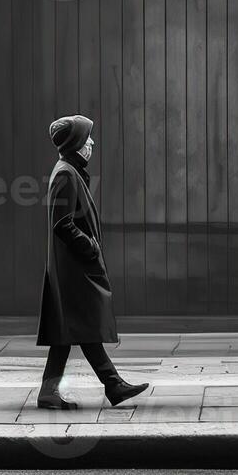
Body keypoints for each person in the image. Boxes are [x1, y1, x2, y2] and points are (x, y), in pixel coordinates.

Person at [36, 114, 149, 409]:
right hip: (74, 269)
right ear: (75, 143)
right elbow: (62, 223)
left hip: (72, 268)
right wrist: (90, 247)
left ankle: (53, 392)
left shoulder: (69, 171)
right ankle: (113, 385)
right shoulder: (65, 174)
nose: (92, 142)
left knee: (69, 330)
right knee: (83, 326)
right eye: (87, 138)